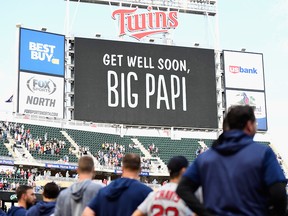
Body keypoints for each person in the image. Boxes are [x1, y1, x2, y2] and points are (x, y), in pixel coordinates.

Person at [176, 105, 287, 216]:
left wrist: (205, 213)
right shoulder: (263, 153)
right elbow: (279, 194)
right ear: (249, 125)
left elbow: (183, 188)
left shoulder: (205, 157)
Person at [82, 153, 153, 216]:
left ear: (122, 168)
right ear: (140, 170)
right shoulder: (147, 193)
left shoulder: (104, 190)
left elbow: (87, 212)